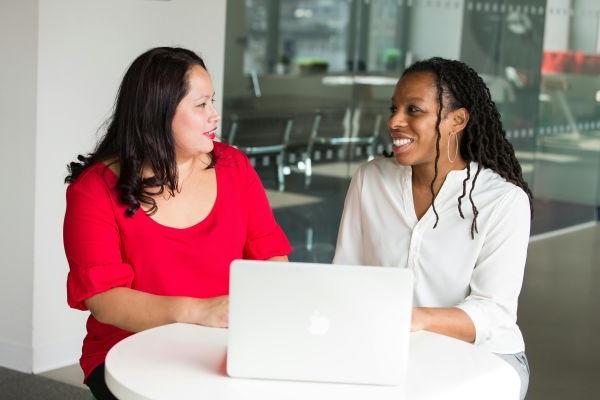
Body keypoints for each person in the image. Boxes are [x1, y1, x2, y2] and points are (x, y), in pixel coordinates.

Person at [63, 47, 291, 400]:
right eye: (200, 105)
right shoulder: (93, 189)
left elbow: (270, 254)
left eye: (212, 101)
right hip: (128, 350)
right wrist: (200, 312)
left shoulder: (234, 166)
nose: (214, 115)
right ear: (158, 112)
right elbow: (104, 299)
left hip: (222, 341)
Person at [333, 57, 532, 399]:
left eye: (414, 110)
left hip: (484, 355)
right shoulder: (370, 180)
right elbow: (346, 273)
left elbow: (494, 312)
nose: (395, 121)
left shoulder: (503, 201)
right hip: (389, 347)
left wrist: (415, 319)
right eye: (394, 108)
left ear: (457, 120)